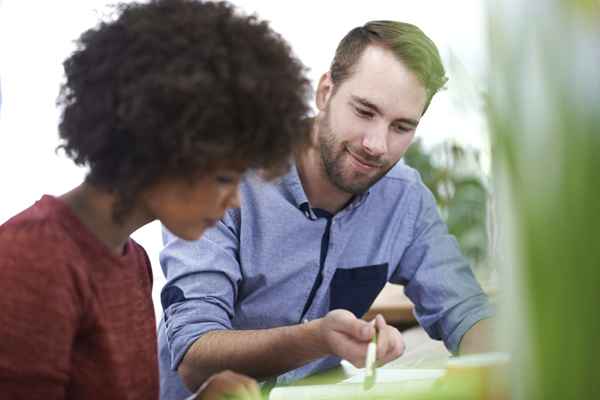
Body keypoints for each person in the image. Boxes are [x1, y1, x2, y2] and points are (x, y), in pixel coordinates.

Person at [157, 20, 495, 399]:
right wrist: (317, 339)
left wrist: (499, 365)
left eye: (401, 126)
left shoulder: (405, 199)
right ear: (324, 92)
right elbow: (194, 356)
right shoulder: (225, 177)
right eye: (365, 111)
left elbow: (466, 310)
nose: (377, 145)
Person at [0, 0, 311, 399]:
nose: (234, 202)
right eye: (223, 178)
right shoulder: (32, 261)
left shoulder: (133, 262)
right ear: (161, 147)